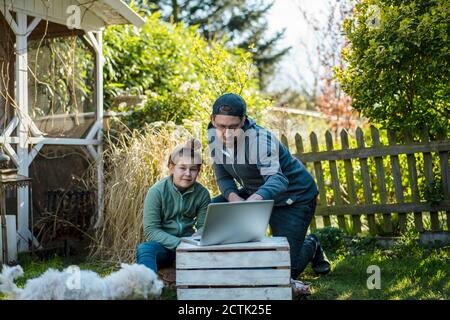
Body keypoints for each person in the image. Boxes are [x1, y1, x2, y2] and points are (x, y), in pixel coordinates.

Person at [207, 93, 330, 296]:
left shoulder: (259, 140)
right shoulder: (213, 135)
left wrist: (252, 202)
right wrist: (235, 199)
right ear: (213, 120)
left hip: (294, 196)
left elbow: (278, 179)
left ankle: (312, 244)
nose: (226, 134)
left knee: (283, 270)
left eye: (233, 127)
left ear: (243, 121)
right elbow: (223, 177)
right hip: (256, 194)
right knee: (211, 210)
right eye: (221, 126)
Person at [136, 140, 210, 273]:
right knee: (145, 249)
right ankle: (147, 285)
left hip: (190, 245)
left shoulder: (202, 194)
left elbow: (204, 226)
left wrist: (196, 239)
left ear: (198, 171)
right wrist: (179, 244)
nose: (188, 173)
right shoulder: (157, 191)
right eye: (182, 168)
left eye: (193, 169)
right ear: (171, 167)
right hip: (163, 246)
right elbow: (151, 231)